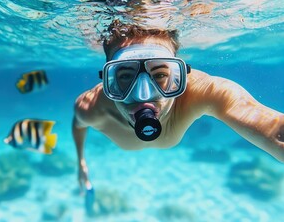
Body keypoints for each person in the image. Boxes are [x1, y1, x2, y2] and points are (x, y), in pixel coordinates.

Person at [72, 19, 284, 192]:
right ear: (108, 81)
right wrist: (81, 161)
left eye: (161, 75)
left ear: (180, 77)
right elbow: (78, 124)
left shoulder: (200, 91)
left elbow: (272, 128)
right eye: (126, 76)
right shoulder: (91, 107)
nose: (143, 95)